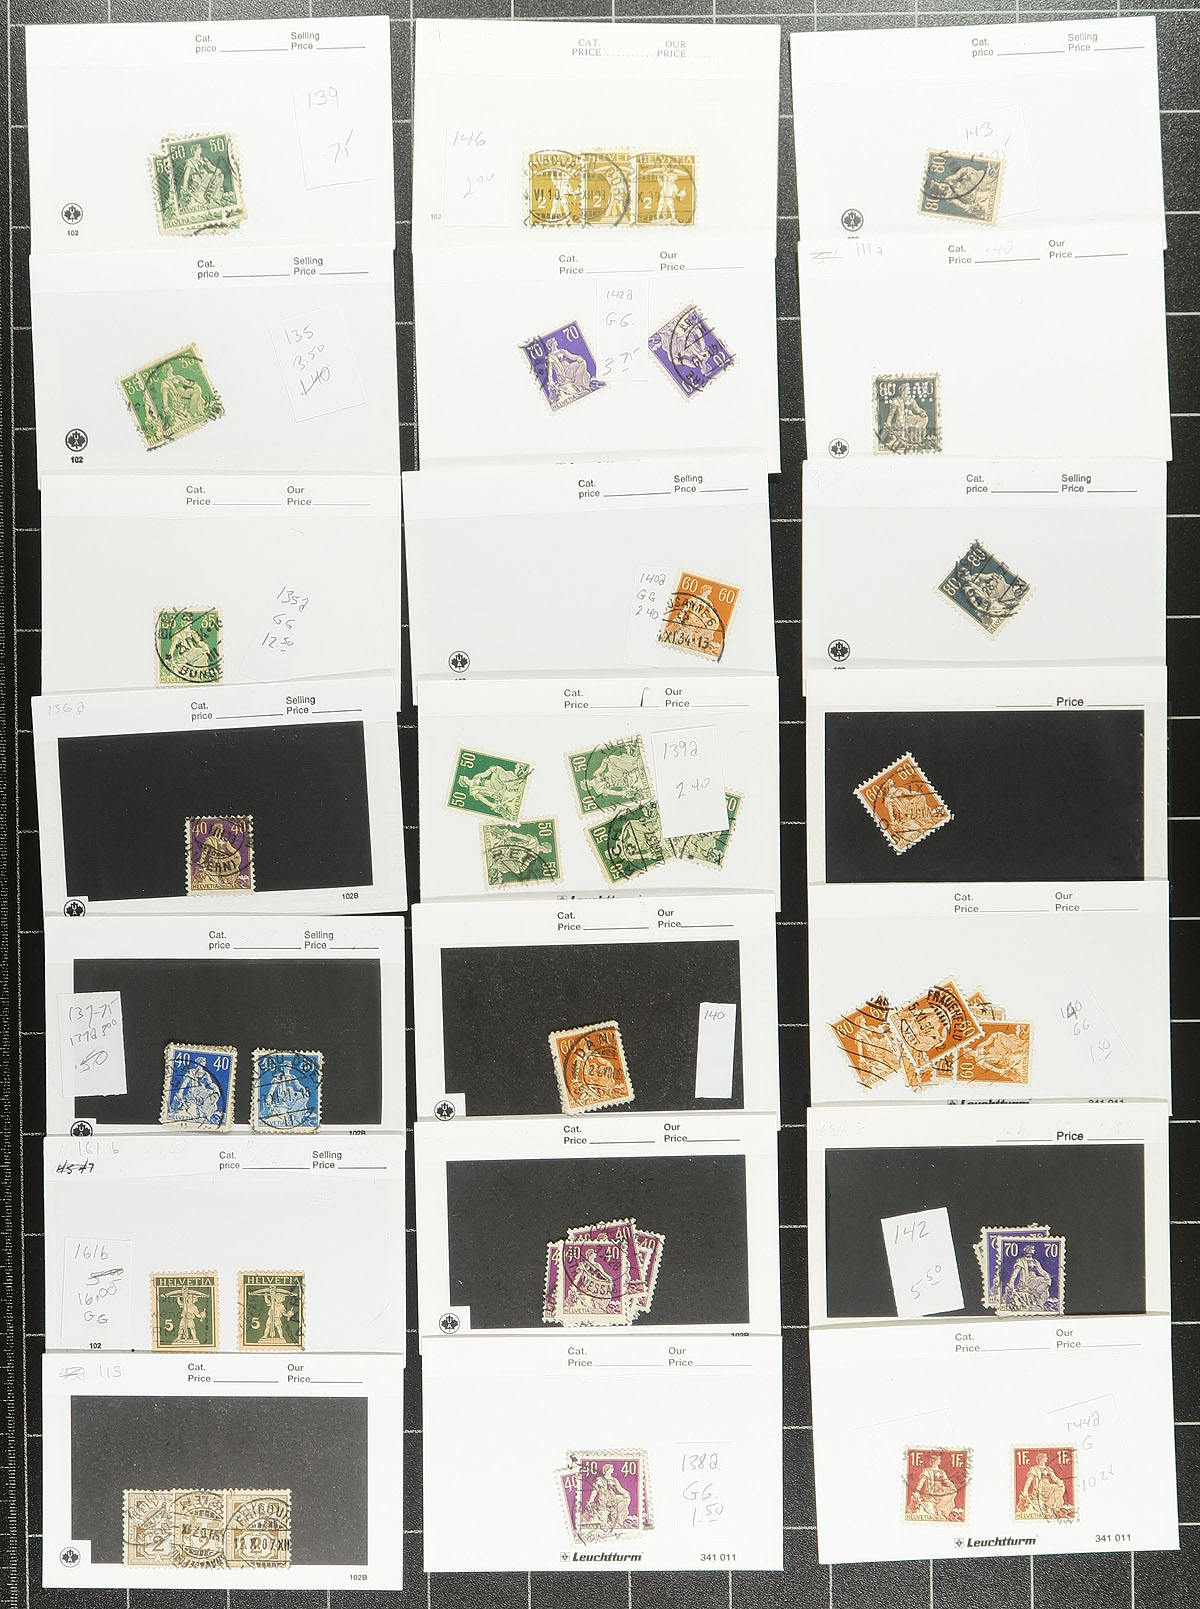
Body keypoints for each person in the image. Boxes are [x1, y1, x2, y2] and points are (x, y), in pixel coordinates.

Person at [1017, 1452, 1067, 1519]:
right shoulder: (1034, 1469)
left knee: (1060, 1488)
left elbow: (1054, 1478)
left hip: (1048, 1487)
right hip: (1039, 1489)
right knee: (1055, 1487)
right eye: (1046, 1457)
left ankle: (1049, 1505)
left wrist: (1060, 1482)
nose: (1047, 1459)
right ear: (1042, 1459)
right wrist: (1025, 1490)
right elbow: (1029, 1481)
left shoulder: (1048, 1469)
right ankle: (1048, 1507)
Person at [908, 1453, 958, 1520]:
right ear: (934, 1460)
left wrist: (952, 1486)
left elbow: (947, 1481)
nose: (940, 1461)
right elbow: (921, 1482)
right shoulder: (927, 1471)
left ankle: (940, 1510)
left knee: (953, 1492)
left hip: (941, 1490)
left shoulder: (941, 1471)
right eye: (939, 1459)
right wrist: (917, 1491)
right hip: (932, 1492)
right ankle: (939, 1511)